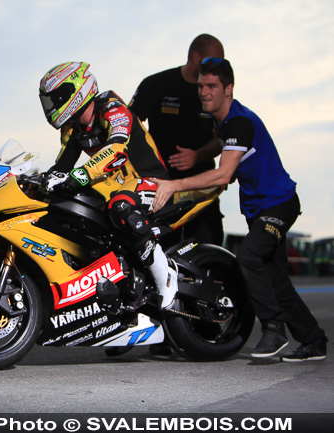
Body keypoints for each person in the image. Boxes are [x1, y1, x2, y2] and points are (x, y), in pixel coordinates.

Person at [152, 57, 328, 362]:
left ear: (228, 89)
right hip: (259, 209)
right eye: (200, 86)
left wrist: (172, 186)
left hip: (279, 205)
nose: (204, 92)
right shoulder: (222, 121)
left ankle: (273, 329)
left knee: (248, 256)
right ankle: (314, 341)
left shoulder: (240, 122)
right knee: (277, 281)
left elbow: (223, 173)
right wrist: (197, 156)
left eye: (211, 86)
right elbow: (220, 146)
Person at [38, 61, 177, 310]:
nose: (51, 106)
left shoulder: (112, 108)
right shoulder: (73, 128)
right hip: (115, 183)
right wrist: (42, 181)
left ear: (77, 91)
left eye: (56, 98)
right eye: (48, 100)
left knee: (121, 206)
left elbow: (116, 150)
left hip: (151, 180)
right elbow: (61, 166)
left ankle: (164, 277)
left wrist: (79, 177)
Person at [129, 34, 225, 247]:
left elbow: (223, 140)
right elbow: (127, 126)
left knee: (209, 249)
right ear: (196, 57)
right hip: (159, 188)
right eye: (214, 62)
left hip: (201, 189)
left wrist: (196, 156)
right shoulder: (156, 84)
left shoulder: (214, 94)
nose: (219, 69)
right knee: (160, 251)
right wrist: (145, 160)